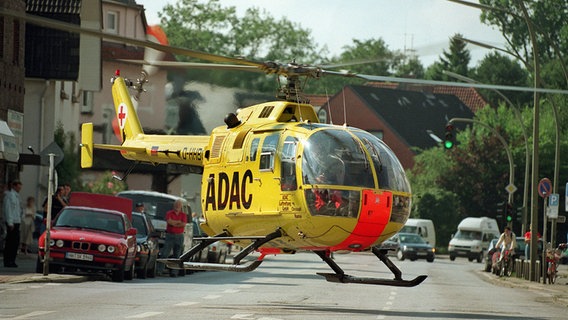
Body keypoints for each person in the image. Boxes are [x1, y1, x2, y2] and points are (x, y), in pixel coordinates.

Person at [158, 199, 187, 277]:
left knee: (177, 255)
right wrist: (178, 222)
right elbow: (169, 221)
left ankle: (174, 272)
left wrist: (174, 223)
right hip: (170, 235)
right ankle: (159, 271)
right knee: (164, 254)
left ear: (181, 206)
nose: (177, 206)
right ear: (174, 205)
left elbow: (183, 224)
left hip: (179, 236)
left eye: (179, 205)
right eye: (176, 204)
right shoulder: (169, 213)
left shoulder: (183, 215)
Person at [3, 180, 23, 267]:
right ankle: (8, 261)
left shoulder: (17, 196)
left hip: (17, 221)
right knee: (10, 243)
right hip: (12, 222)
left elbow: (18, 210)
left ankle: (12, 260)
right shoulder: (10, 196)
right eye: (18, 187)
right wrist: (10, 222)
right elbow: (9, 210)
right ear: (14, 186)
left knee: (15, 243)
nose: (19, 189)